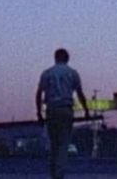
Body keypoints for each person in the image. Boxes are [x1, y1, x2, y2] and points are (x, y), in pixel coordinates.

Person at [36, 48, 89, 179]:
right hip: (66, 110)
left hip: (51, 110)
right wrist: (86, 110)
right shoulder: (72, 73)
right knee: (63, 144)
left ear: (55, 58)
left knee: (54, 144)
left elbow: (38, 93)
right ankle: (59, 174)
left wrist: (39, 112)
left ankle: (53, 173)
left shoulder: (47, 73)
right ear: (67, 58)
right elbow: (80, 93)